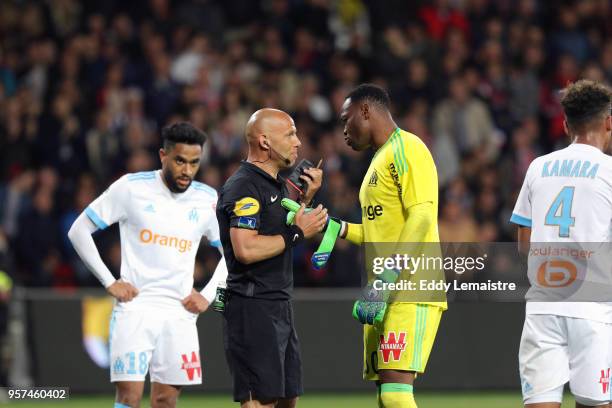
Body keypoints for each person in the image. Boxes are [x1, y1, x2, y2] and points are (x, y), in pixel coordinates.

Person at [67, 122, 228, 408]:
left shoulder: (207, 199)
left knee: (166, 400)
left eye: (194, 163)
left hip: (180, 314)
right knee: (129, 397)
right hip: (135, 309)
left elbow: (232, 252)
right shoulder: (131, 188)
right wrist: (109, 281)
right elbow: (78, 230)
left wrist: (208, 295)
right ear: (163, 156)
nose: (187, 170)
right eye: (180, 161)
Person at [333, 84, 446, 407]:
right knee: (386, 397)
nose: (344, 129)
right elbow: (378, 232)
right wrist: (336, 228)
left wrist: (387, 277)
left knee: (396, 396)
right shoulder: (378, 160)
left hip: (409, 287)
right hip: (382, 291)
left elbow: (423, 216)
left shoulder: (408, 148)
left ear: (366, 111)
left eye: (346, 119)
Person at [510, 80, 612, 408]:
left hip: (543, 305)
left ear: (566, 124)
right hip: (593, 309)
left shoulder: (538, 167)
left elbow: (523, 246)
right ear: (608, 122)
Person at [216, 108, 327, 408]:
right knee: (262, 401)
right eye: (290, 134)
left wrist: (305, 200)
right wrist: (298, 234)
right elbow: (246, 249)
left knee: (287, 400)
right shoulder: (244, 187)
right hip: (252, 308)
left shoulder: (277, 184)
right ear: (264, 141)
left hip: (278, 305)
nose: (299, 142)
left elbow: (279, 226)